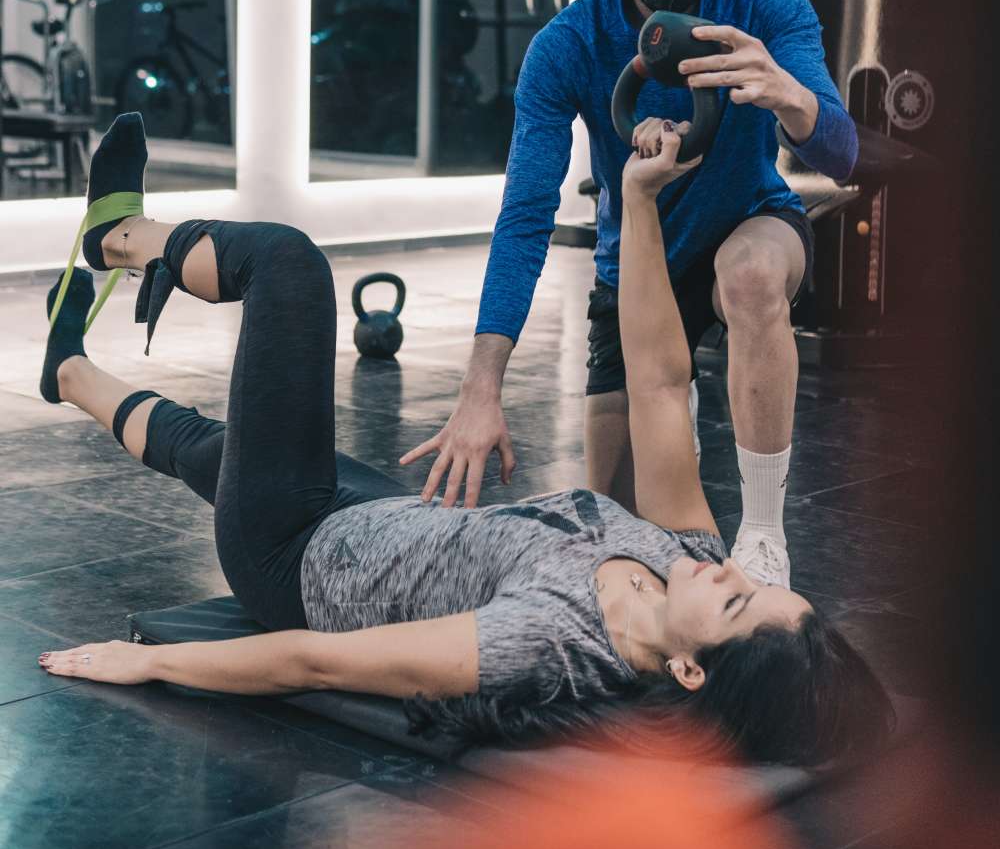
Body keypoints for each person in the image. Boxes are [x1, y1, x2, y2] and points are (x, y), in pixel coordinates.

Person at [36, 114, 889, 767]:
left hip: (292, 558)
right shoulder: (686, 554)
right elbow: (661, 383)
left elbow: (317, 662)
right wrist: (635, 199)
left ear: (692, 672)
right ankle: (68, 371)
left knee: (287, 268)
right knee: (216, 450)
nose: (731, 568)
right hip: (382, 517)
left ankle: (115, 237)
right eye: (753, 582)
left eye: (737, 603)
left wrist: (152, 665)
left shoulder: (554, 642)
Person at [403, 0, 858, 589]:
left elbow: (841, 156)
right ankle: (672, 428)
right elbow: (526, 216)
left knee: (750, 276)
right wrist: (481, 388)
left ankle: (763, 534)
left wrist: (789, 95)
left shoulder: (763, 1)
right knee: (616, 534)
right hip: (638, 260)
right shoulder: (568, 45)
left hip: (751, 223)